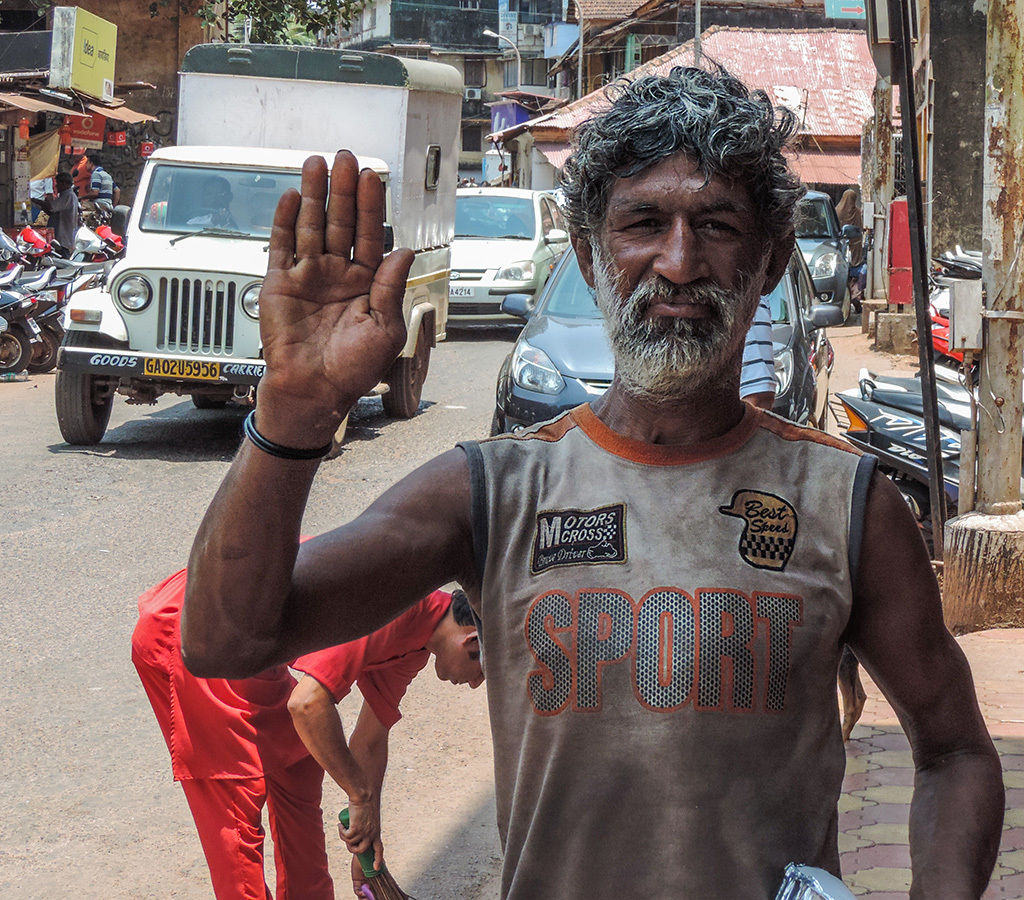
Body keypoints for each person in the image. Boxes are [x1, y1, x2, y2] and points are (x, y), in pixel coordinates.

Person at [180, 66, 1004, 900]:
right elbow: (226, 641)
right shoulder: (493, 492)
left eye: (717, 225)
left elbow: (957, 750)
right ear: (588, 252)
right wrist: (291, 414)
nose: (678, 264)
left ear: (770, 259)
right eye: (642, 222)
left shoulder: (846, 503)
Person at [133, 566, 483, 900]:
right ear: (471, 643)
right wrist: (360, 796)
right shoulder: (392, 604)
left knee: (300, 767)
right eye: (480, 673)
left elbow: (371, 737)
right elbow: (307, 705)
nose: (473, 684)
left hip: (253, 648)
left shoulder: (417, 641)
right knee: (237, 804)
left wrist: (366, 835)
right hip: (196, 630)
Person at [30, 172, 80, 252]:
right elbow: (52, 211)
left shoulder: (68, 196)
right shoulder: (65, 196)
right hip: (60, 235)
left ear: (64, 183)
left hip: (63, 237)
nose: (56, 186)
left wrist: (35, 201)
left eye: (58, 183)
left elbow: (50, 207)